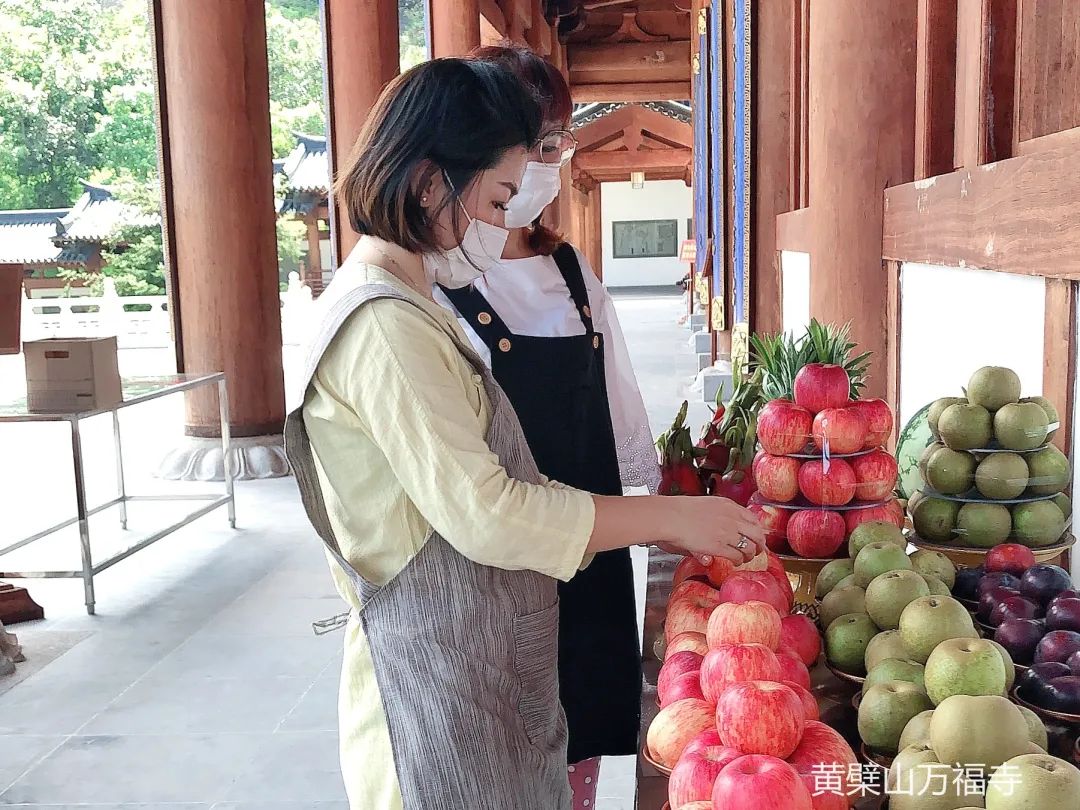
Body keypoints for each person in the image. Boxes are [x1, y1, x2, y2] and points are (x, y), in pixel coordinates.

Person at [285, 57, 764, 810]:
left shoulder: (413, 299)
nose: (505, 222)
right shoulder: (383, 324)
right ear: (427, 182)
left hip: (481, 652)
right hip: (436, 683)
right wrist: (669, 515)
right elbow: (489, 512)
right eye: (499, 196)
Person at [431, 43, 655, 807]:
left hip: (588, 556)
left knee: (580, 731)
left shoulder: (575, 277)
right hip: (494, 565)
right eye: (523, 144)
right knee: (509, 750)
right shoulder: (431, 291)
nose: (536, 164)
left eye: (553, 142)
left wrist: (668, 503)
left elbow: (622, 419)